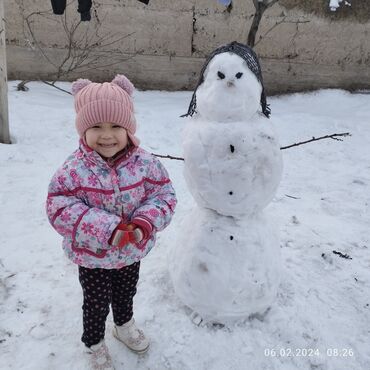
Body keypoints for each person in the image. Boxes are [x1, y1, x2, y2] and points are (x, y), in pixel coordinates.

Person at [46, 74, 177, 370]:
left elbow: (164, 194)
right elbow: (58, 206)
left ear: (129, 127)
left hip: (131, 253)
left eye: (116, 126)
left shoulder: (145, 163)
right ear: (83, 130)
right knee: (95, 303)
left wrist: (145, 222)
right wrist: (108, 229)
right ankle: (93, 343)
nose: (107, 135)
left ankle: (123, 325)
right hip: (92, 257)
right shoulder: (74, 170)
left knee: (126, 293)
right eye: (96, 127)